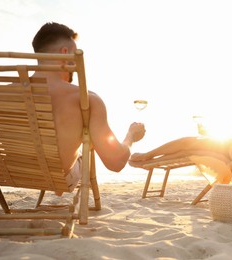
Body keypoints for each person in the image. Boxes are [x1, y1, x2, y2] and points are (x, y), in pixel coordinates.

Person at [31, 22, 146, 192]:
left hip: (6, 174)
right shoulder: (85, 99)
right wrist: (131, 136)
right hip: (61, 179)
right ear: (65, 53)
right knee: (87, 144)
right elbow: (115, 163)